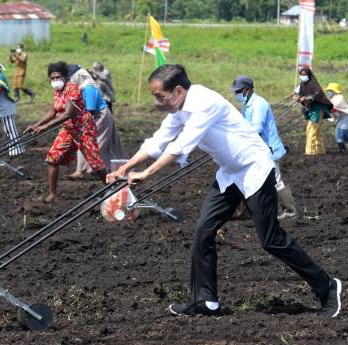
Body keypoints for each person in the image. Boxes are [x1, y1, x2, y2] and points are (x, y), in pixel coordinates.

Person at [107, 64, 341, 318]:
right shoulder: (179, 108)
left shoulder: (204, 102)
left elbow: (181, 145)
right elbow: (159, 140)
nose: (157, 102)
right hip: (230, 174)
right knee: (203, 232)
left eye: (159, 96)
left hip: (255, 169)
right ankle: (206, 301)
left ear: (177, 91)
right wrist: (126, 167)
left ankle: (327, 287)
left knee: (270, 239)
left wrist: (147, 173)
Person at [26, 61, 106, 204]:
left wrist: (45, 127)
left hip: (83, 129)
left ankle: (113, 189)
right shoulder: (57, 91)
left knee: (95, 163)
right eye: (53, 78)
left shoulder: (72, 89)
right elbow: (53, 111)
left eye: (58, 78)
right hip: (68, 130)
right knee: (52, 158)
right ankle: (52, 194)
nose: (56, 81)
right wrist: (36, 125)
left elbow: (68, 113)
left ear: (65, 77)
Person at [231, 75, 297, 219]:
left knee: (276, 180)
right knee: (247, 179)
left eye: (239, 91)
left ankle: (290, 211)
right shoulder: (247, 105)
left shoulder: (258, 104)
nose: (237, 94)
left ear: (247, 90)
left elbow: (256, 128)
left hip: (268, 148)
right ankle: (246, 211)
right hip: (255, 149)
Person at [66, 64, 126, 180]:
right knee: (84, 143)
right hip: (89, 117)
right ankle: (82, 169)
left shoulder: (89, 87)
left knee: (99, 144)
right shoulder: (80, 88)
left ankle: (99, 169)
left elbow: (91, 108)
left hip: (100, 116)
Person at [296, 67, 332, 156]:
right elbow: (303, 97)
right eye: (301, 74)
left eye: (304, 75)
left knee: (311, 129)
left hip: (318, 109)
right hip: (313, 109)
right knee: (317, 131)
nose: (303, 76)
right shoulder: (303, 85)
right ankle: (320, 150)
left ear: (309, 75)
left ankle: (310, 151)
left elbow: (317, 94)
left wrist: (308, 98)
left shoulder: (313, 84)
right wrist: (299, 98)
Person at [324, 82, 348, 153]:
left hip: (346, 118)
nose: (328, 92)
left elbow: (332, 107)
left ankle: (342, 150)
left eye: (330, 91)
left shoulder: (339, 98)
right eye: (328, 91)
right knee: (339, 135)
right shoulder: (333, 98)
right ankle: (342, 150)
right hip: (341, 119)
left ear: (335, 91)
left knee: (342, 132)